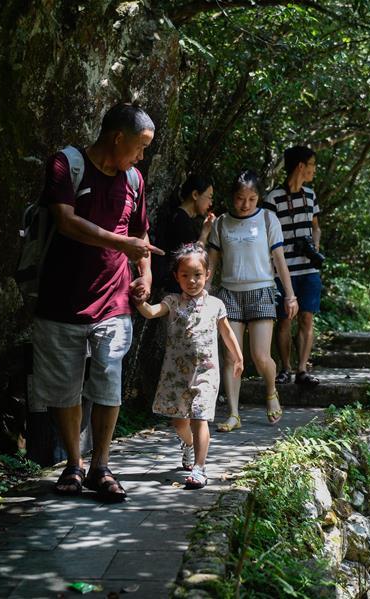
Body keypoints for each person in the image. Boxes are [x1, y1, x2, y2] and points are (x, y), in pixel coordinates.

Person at [33, 103, 164, 501]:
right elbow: (65, 221)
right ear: (117, 137)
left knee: (108, 382)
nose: (142, 157)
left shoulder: (134, 181)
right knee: (64, 387)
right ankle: (74, 465)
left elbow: (141, 237)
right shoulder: (66, 165)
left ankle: (101, 466)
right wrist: (120, 242)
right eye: (139, 147)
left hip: (114, 300)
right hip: (60, 297)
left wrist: (145, 276)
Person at [134, 243, 243, 488]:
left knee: (200, 417)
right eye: (185, 275)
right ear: (177, 276)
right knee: (179, 421)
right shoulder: (172, 301)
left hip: (206, 373)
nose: (192, 280)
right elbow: (151, 312)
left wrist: (238, 357)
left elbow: (226, 333)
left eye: (197, 275)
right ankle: (188, 445)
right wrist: (140, 301)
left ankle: (200, 468)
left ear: (207, 275)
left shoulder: (216, 305)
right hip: (175, 374)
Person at [207, 170, 298, 432]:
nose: (245, 204)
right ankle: (234, 413)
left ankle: (270, 391)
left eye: (251, 198)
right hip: (229, 294)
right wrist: (204, 294)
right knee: (230, 357)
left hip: (261, 291)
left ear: (258, 197)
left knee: (260, 356)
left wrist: (290, 296)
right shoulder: (221, 223)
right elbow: (211, 263)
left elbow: (280, 261)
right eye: (239, 198)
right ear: (231, 197)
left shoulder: (268, 219)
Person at [263, 146, 322, 387]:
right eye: (312, 165)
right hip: (283, 269)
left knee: (307, 318)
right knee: (285, 319)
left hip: (308, 269)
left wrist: (314, 248)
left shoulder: (310, 195)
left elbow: (316, 226)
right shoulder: (273, 198)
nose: (313, 170)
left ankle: (302, 370)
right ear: (300, 165)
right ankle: (285, 368)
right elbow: (266, 234)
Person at [159, 174, 215, 292]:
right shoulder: (181, 220)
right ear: (195, 195)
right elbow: (193, 257)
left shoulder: (179, 217)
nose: (210, 203)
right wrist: (205, 232)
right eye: (209, 197)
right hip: (175, 288)